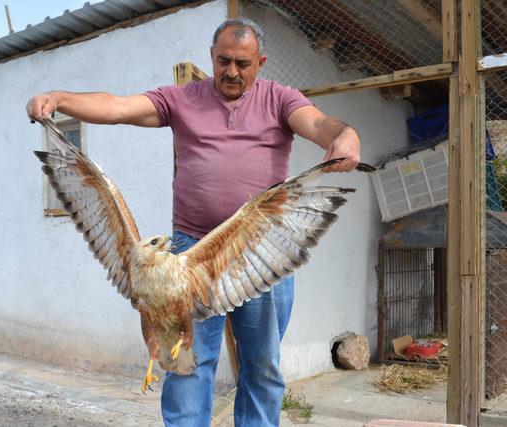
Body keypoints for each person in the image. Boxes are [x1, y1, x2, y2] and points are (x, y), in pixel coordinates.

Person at [27, 17, 360, 427]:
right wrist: (59, 98)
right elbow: (116, 108)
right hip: (186, 255)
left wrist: (343, 135)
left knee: (263, 367)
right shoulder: (182, 99)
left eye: (243, 63)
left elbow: (319, 124)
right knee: (186, 364)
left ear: (261, 62)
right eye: (223, 61)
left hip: (259, 253)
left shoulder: (280, 99)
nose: (232, 72)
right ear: (211, 56)